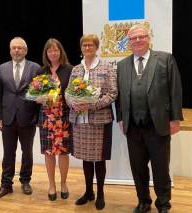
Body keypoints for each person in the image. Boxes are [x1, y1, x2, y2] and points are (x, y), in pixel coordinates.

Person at [115, 24, 183, 213]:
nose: (137, 40)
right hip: (133, 127)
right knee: (138, 168)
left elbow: (175, 90)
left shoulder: (165, 59)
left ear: (149, 38)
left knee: (160, 168)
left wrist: (175, 118)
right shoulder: (121, 65)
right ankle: (144, 201)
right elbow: (119, 96)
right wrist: (121, 118)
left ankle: (163, 203)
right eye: (133, 38)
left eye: (141, 36)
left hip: (158, 124)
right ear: (128, 42)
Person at [66, 34, 117, 210]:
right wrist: (73, 103)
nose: (87, 48)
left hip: (98, 121)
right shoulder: (76, 69)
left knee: (99, 159)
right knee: (86, 159)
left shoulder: (107, 67)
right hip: (80, 121)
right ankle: (89, 192)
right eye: (84, 45)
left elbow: (112, 93)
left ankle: (100, 193)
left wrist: (92, 105)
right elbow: (67, 93)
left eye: (91, 45)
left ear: (96, 47)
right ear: (81, 48)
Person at [0, 37, 40, 199]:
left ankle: (25, 180)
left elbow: (40, 94)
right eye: (14, 48)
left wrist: (38, 117)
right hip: (7, 118)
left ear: (25, 51)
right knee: (8, 153)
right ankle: (6, 184)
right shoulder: (2, 68)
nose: (17, 50)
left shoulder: (35, 68)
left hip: (28, 118)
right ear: (10, 50)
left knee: (27, 152)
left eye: (20, 48)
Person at [36, 38, 73, 201]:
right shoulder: (41, 71)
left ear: (61, 52)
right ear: (46, 53)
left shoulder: (69, 70)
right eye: (50, 50)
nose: (53, 53)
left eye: (56, 50)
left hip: (63, 117)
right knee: (49, 153)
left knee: (63, 153)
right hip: (46, 117)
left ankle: (64, 183)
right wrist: (37, 98)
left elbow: (73, 93)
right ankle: (52, 185)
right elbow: (35, 93)